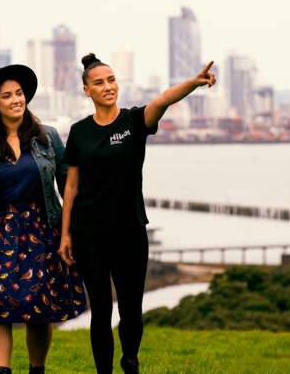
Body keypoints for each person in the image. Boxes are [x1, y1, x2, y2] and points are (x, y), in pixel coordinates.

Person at [58, 53, 215, 374]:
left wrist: (193, 84)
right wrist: (66, 234)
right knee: (101, 309)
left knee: (131, 309)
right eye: (99, 83)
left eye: (112, 80)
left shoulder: (134, 122)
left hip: (129, 229)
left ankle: (130, 361)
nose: (108, 87)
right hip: (89, 231)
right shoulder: (79, 132)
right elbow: (71, 186)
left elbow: (162, 101)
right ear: (86, 91)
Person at [0, 65, 87, 374]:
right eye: (7, 96)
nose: (16, 100)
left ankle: (36, 369)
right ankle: (1, 371)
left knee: (40, 307)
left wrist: (72, 232)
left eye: (19, 94)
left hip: (43, 230)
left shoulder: (49, 138)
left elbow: (68, 187)